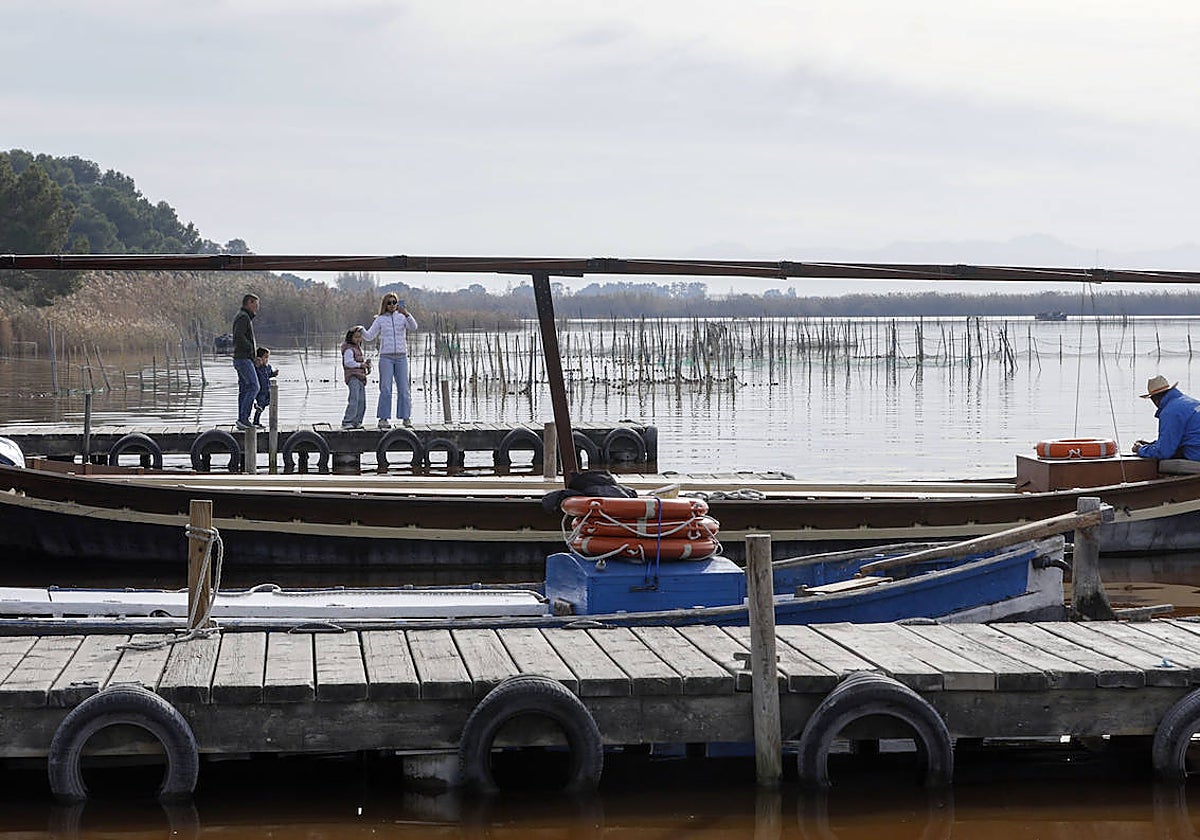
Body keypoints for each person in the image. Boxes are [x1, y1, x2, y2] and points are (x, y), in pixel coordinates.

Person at [362, 292, 417, 429]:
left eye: (394, 302)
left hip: (401, 357)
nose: (392, 305)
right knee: (385, 388)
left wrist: (406, 313)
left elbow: (414, 327)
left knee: (404, 389)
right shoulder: (380, 319)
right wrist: (360, 329)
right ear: (385, 305)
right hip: (386, 357)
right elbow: (369, 336)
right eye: (389, 303)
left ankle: (406, 418)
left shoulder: (403, 317)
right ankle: (383, 419)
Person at [1132, 375, 1200, 460]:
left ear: (1155, 400)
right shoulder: (1192, 402)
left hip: (1195, 456)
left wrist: (1140, 449)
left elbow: (1163, 452)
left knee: (1162, 463)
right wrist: (1153, 444)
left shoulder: (1169, 412)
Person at [231, 293, 260, 431]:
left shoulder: (244, 316)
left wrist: (254, 356)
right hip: (243, 358)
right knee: (254, 386)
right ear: (249, 303)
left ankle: (241, 420)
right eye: (255, 304)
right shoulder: (243, 317)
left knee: (244, 389)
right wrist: (250, 349)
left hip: (242, 358)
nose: (257, 308)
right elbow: (238, 336)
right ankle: (244, 418)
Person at [341, 326, 371, 429]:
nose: (358, 339)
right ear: (350, 338)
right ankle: (347, 421)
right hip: (353, 377)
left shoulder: (357, 349)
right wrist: (360, 365)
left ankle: (357, 422)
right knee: (354, 399)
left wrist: (365, 364)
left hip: (360, 378)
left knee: (362, 401)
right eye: (356, 337)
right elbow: (348, 362)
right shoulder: (349, 349)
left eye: (360, 337)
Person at [250, 347, 277, 428]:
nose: (267, 360)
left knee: (268, 402)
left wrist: (274, 374)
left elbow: (269, 375)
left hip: (267, 389)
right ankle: (256, 421)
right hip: (260, 390)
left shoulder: (268, 367)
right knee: (261, 404)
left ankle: (259, 407)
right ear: (259, 358)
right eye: (265, 357)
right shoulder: (257, 367)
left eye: (268, 357)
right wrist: (257, 363)